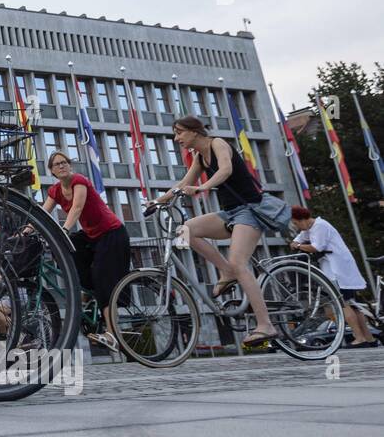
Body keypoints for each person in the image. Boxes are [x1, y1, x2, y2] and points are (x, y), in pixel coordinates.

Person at [156, 116, 291, 346]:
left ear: (195, 131)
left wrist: (203, 186)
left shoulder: (217, 143)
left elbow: (226, 169)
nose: (176, 138)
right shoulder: (200, 157)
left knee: (239, 263)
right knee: (185, 230)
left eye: (179, 132)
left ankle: (265, 325)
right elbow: (181, 184)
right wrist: (156, 201)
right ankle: (225, 272)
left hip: (250, 209)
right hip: (230, 213)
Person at [39, 152, 130, 350]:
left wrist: (63, 230)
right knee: (66, 251)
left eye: (64, 162)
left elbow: (77, 208)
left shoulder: (79, 181)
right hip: (92, 236)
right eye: (57, 164)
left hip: (111, 233)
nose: (61, 166)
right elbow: (42, 213)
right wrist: (28, 229)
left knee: (103, 281)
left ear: (70, 165)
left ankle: (112, 334)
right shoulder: (55, 190)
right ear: (52, 171)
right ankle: (89, 292)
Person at [289, 206, 379, 347]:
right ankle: (369, 338)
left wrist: (299, 245)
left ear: (302, 219)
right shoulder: (309, 228)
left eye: (296, 223)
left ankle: (359, 337)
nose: (296, 226)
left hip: (337, 269)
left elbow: (316, 247)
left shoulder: (320, 226)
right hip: (338, 269)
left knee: (343, 303)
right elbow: (296, 241)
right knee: (353, 305)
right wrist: (298, 243)